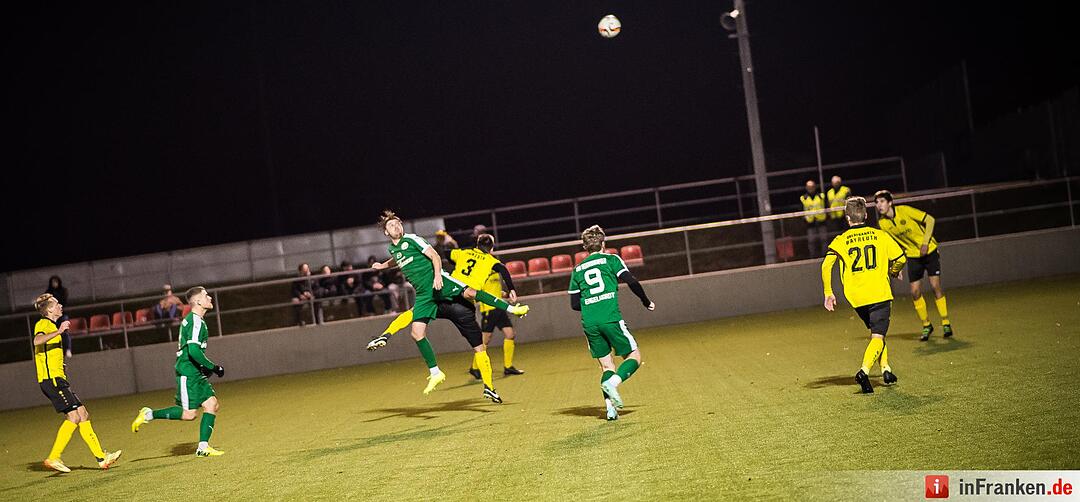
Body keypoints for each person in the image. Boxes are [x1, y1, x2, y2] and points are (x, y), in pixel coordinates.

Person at [364, 210, 529, 398]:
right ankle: (435, 372)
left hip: (440, 284)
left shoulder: (412, 239)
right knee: (417, 333)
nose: (396, 226)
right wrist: (382, 266)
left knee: (470, 293)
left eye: (398, 223)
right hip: (427, 295)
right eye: (391, 225)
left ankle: (512, 309)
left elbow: (435, 255)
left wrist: (436, 276)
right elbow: (398, 259)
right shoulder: (394, 249)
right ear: (386, 232)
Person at [568, 225, 654, 421]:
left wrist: (592, 305)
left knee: (607, 367)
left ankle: (610, 409)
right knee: (634, 356)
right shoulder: (611, 259)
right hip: (610, 318)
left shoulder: (577, 270)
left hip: (589, 322)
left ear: (584, 248)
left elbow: (574, 304)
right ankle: (613, 384)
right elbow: (631, 281)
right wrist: (646, 301)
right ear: (603, 243)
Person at [822, 197, 907, 393]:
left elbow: (827, 265)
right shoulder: (880, 235)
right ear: (866, 215)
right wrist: (893, 271)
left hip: (857, 297)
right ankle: (864, 371)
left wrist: (828, 292)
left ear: (847, 218)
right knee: (878, 335)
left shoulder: (841, 240)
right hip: (879, 293)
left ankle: (886, 369)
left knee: (876, 333)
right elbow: (901, 259)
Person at [32, 293, 122, 473]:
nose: (60, 306)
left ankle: (102, 458)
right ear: (49, 309)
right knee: (73, 417)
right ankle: (54, 457)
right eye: (56, 304)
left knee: (83, 413)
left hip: (59, 379)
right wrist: (58, 331)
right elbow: (37, 340)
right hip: (52, 381)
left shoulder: (51, 326)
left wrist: (60, 363)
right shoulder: (44, 324)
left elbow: (47, 351)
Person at [131, 286, 226, 457]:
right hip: (188, 373)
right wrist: (214, 367)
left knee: (212, 404)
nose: (210, 298)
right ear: (197, 301)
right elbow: (194, 351)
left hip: (196, 372)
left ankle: (203, 447)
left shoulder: (195, 320)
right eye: (206, 295)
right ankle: (148, 414)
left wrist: (204, 368)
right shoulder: (196, 321)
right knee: (189, 414)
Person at [874, 190, 955, 341]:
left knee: (935, 286)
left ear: (890, 202)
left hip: (929, 251)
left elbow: (930, 220)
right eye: (877, 203)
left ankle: (945, 322)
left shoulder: (904, 210)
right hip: (912, 256)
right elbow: (891, 245)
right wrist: (895, 266)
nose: (879, 205)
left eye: (882, 201)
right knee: (915, 292)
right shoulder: (883, 224)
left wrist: (925, 242)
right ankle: (926, 325)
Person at [452, 234, 526, 378]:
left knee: (510, 334)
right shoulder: (482, 268)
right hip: (489, 308)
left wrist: (505, 294)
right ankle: (474, 368)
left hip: (499, 307)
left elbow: (495, 287)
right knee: (484, 341)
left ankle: (508, 366)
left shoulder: (491, 263)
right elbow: (480, 291)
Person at [45, 276, 72, 357]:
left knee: (65, 333)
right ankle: (57, 351)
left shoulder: (63, 290)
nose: (54, 284)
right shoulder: (48, 292)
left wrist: (56, 302)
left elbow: (63, 301)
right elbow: (46, 303)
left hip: (62, 315)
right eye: (53, 282)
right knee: (54, 334)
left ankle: (68, 349)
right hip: (53, 317)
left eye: (56, 282)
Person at [800, 180, 828, 257]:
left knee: (824, 240)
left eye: (812, 187)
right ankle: (813, 256)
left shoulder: (821, 196)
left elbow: (826, 206)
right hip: (810, 223)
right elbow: (802, 210)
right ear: (806, 188)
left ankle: (824, 255)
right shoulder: (803, 198)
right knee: (811, 241)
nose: (810, 188)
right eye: (809, 187)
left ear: (815, 187)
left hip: (821, 221)